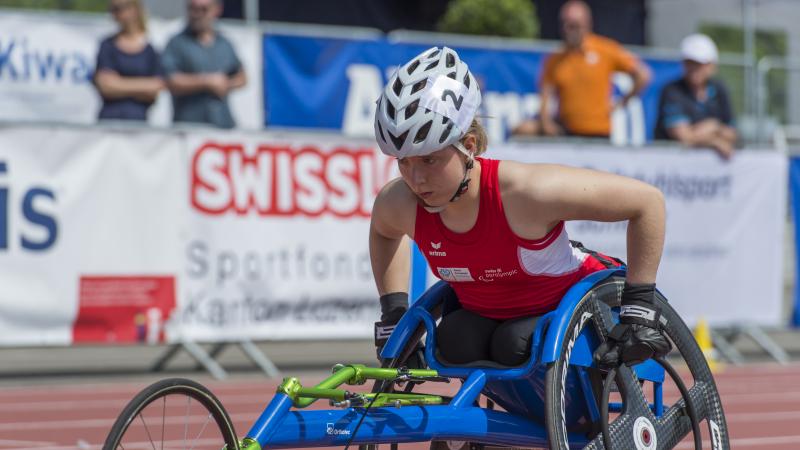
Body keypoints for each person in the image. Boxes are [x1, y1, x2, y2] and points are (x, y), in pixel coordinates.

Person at [370, 46, 670, 368]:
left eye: (429, 159)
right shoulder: (399, 202)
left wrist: (639, 307)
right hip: (491, 319)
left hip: (573, 310)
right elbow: (384, 233)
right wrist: (394, 315)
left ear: (468, 147)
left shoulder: (525, 192)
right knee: (454, 340)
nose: (416, 179)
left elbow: (647, 203)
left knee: (516, 344)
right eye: (404, 162)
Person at [513, 0, 650, 139]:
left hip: (597, 131)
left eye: (574, 26)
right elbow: (545, 94)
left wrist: (621, 103)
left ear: (587, 24)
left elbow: (643, 74)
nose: (568, 30)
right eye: (564, 25)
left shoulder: (605, 50)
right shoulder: (556, 59)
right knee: (522, 130)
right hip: (566, 129)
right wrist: (546, 123)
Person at [161, 0, 247, 129]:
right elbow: (171, 80)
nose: (197, 14)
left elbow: (242, 77)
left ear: (217, 10)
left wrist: (226, 84)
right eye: (193, 9)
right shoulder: (177, 43)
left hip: (223, 125)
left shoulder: (224, 43)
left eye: (203, 9)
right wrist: (207, 82)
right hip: (189, 128)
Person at [655, 33, 737, 159]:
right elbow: (684, 137)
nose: (694, 68)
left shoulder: (719, 89)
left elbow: (732, 134)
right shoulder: (672, 91)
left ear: (712, 66)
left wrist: (714, 127)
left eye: (699, 63)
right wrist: (715, 140)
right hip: (671, 168)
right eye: (689, 63)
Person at [94, 0, 164, 122]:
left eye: (119, 8)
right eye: (113, 9)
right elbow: (105, 86)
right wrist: (143, 86)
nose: (115, 13)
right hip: (109, 121)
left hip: (138, 122)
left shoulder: (150, 48)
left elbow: (155, 88)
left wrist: (118, 84)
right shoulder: (107, 45)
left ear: (135, 9)